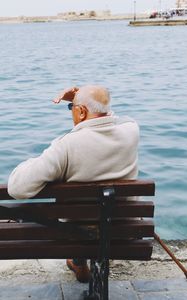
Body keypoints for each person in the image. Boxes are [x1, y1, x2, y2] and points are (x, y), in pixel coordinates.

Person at [8, 84, 139, 283]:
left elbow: (17, 188)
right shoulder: (131, 131)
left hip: (75, 236)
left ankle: (78, 260)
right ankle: (81, 262)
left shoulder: (66, 146)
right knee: (96, 216)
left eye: (72, 109)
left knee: (72, 219)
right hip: (121, 232)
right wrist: (87, 103)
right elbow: (116, 118)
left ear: (81, 111)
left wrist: (32, 162)